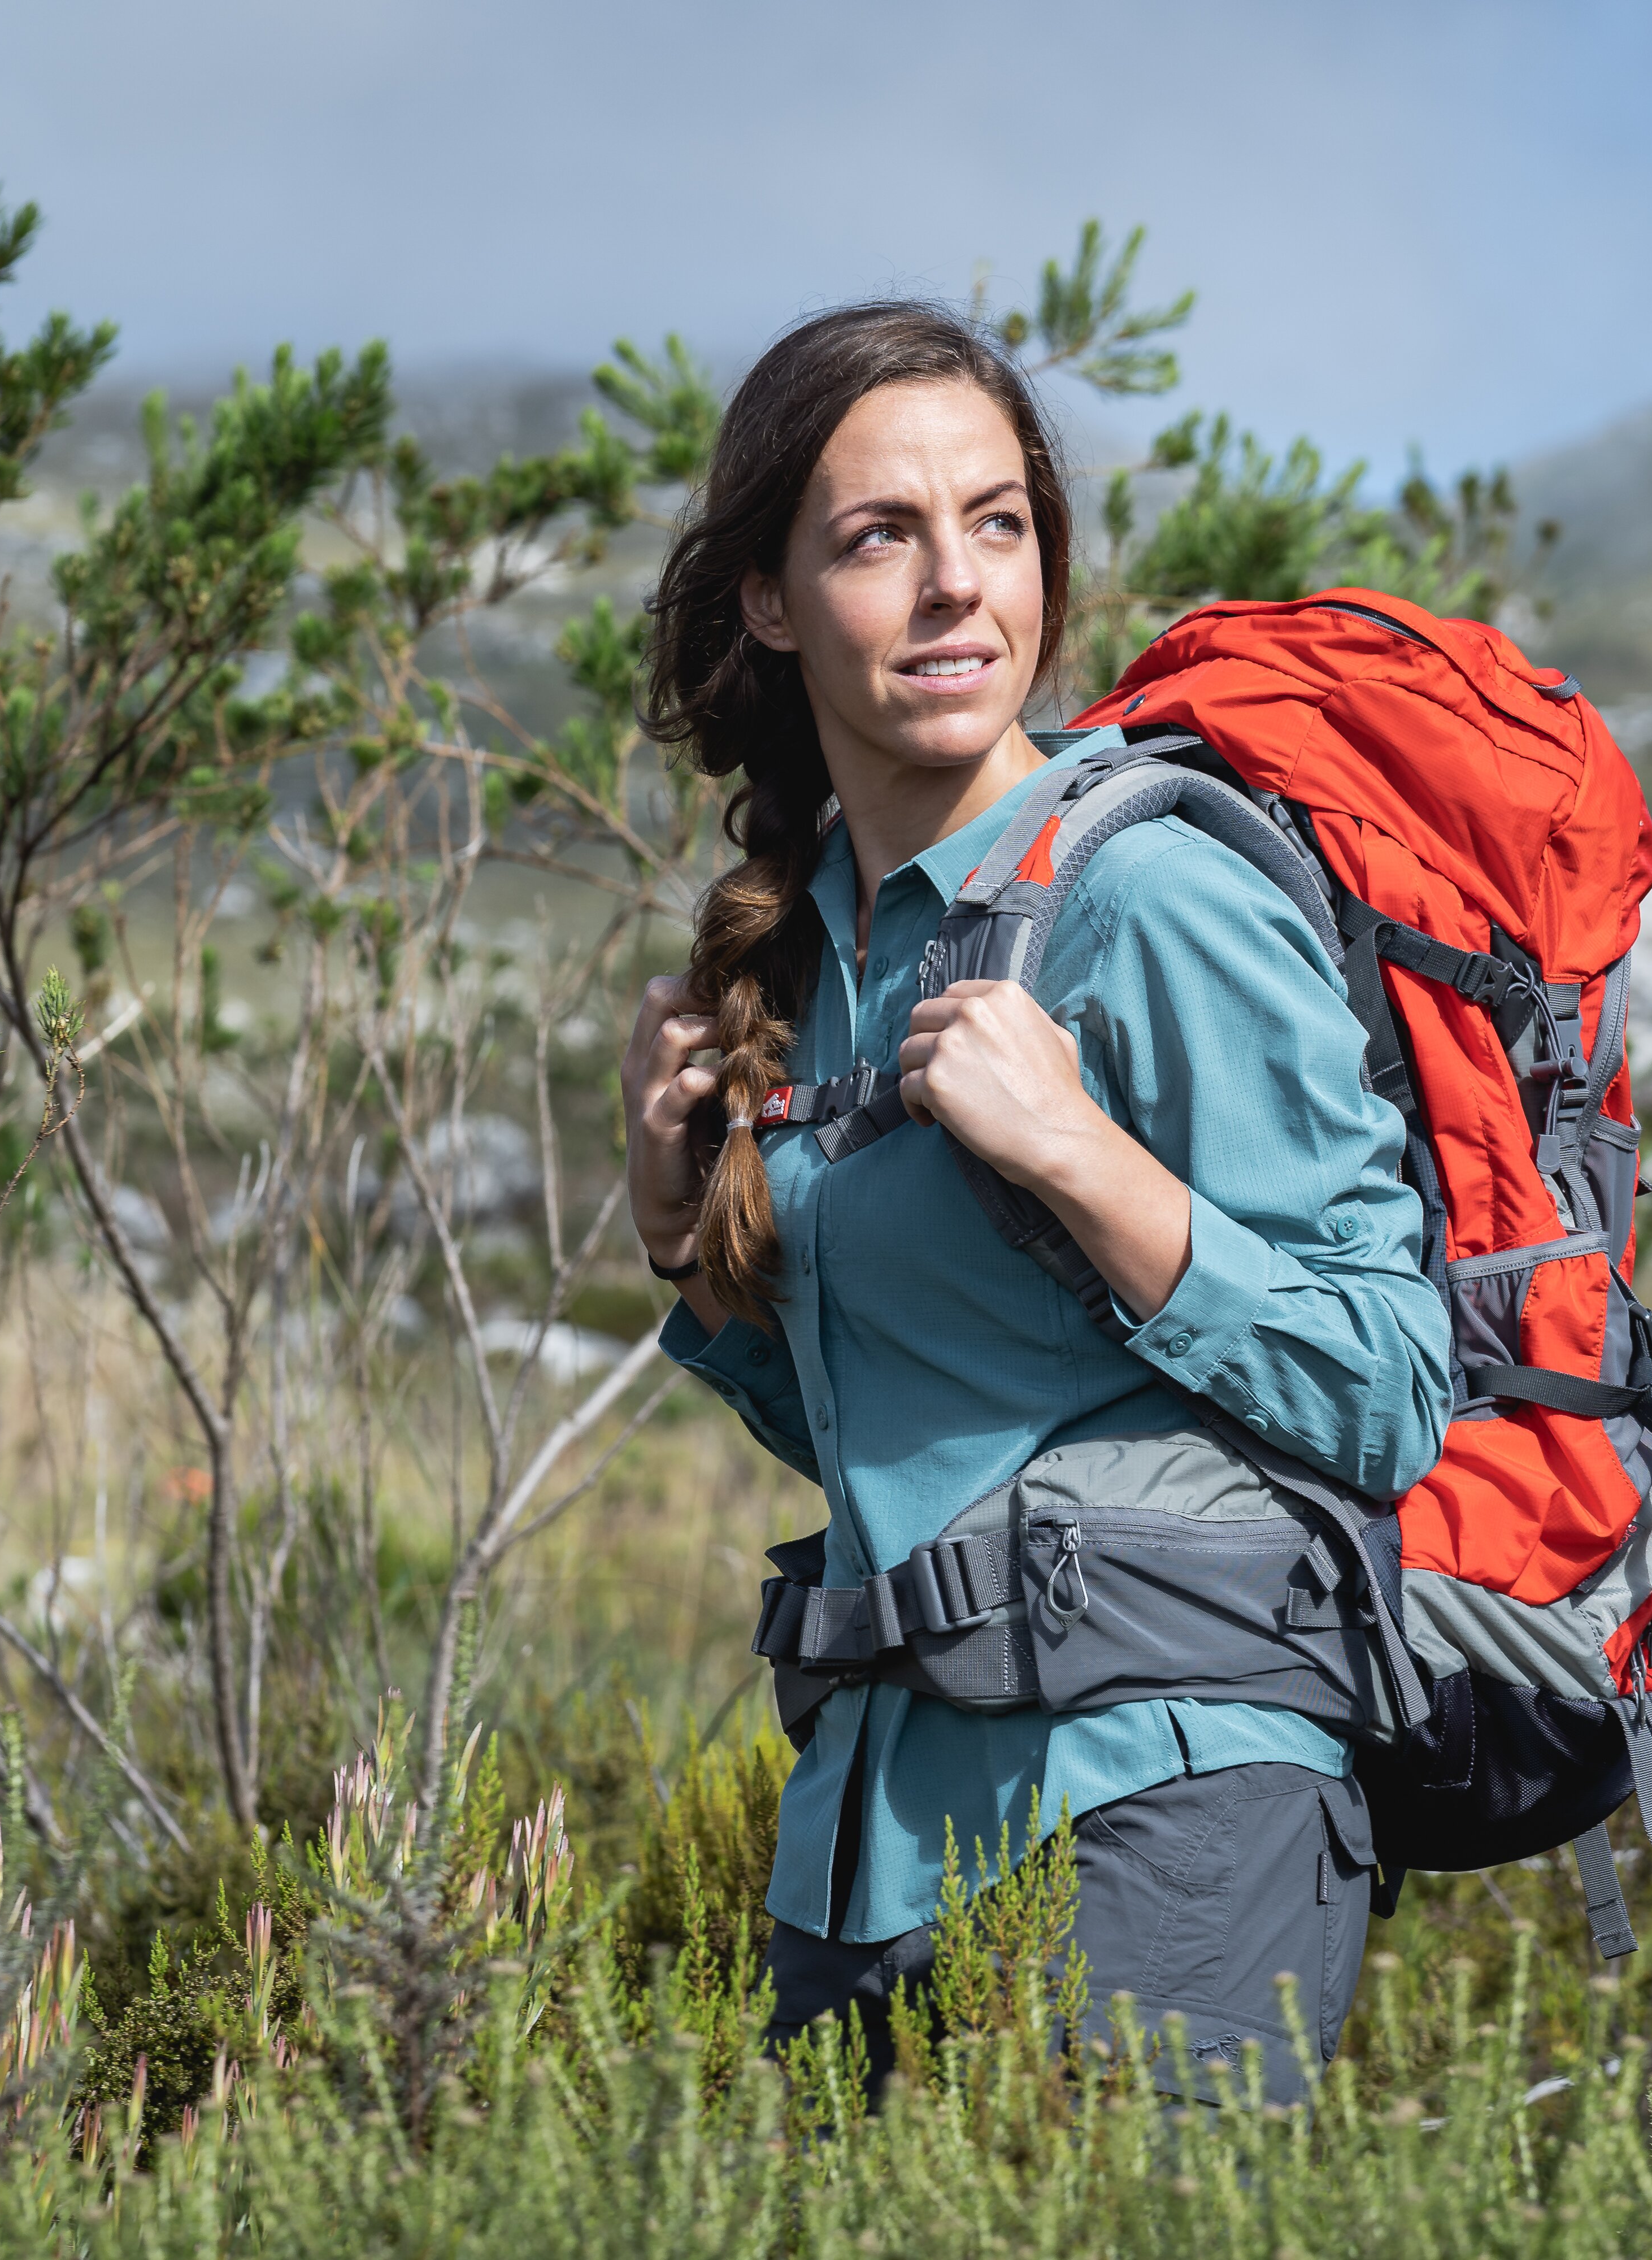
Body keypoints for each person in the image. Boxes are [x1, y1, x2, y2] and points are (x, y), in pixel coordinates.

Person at [615, 301, 1447, 2101]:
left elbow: (1390, 1388)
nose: (955, 590)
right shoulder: (812, 950)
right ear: (767, 598)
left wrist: (1086, 1156)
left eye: (997, 526)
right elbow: (925, 1436)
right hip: (868, 1847)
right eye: (879, 536)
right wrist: (686, 1244)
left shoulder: (1149, 896)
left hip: (1167, 1810)